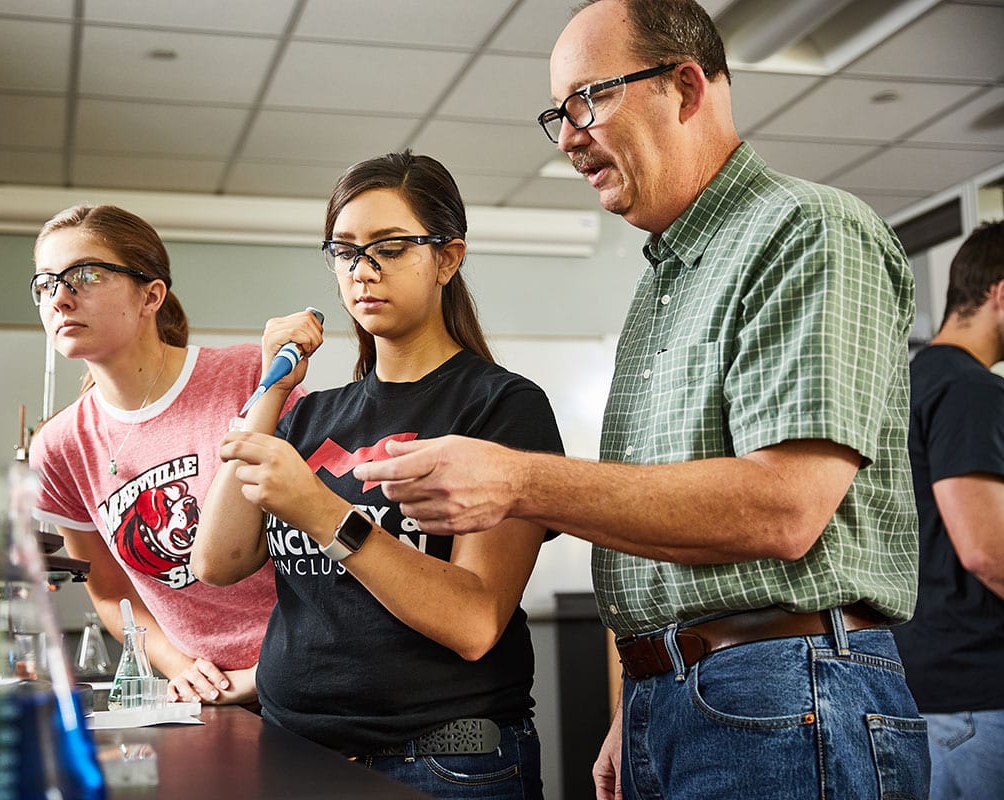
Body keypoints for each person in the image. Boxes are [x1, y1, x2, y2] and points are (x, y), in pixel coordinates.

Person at [353, 2, 930, 798]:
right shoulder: (664, 282)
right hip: (681, 696)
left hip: (786, 692)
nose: (566, 136)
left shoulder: (806, 229)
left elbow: (786, 508)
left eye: (588, 99)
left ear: (685, 86)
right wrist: (642, 695)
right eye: (557, 113)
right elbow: (662, 533)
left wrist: (519, 482)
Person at [190, 151, 563, 799]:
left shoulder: (500, 406)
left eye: (391, 247)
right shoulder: (312, 420)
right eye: (345, 251)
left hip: (442, 762)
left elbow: (474, 622)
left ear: (448, 258)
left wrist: (322, 510)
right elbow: (216, 560)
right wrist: (271, 386)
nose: (364, 270)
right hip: (295, 754)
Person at [27, 204, 302, 706]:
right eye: (46, 283)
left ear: (151, 295)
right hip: (207, 699)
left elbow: (326, 535)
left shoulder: (248, 377)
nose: (60, 299)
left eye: (84, 275)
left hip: (308, 677)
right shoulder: (60, 445)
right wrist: (182, 667)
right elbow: (109, 590)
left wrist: (273, 673)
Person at [893, 220, 1004, 800]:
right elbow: (987, 550)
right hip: (977, 700)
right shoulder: (971, 390)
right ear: (1001, 293)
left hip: (924, 688)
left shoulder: (908, 385)